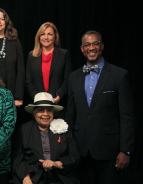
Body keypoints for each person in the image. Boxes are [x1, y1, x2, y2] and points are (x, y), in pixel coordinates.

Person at [66, 31, 135, 184]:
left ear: (102, 46)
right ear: (82, 49)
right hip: (81, 150)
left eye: (95, 43)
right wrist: (68, 146)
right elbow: (71, 113)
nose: (91, 47)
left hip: (109, 150)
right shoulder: (73, 77)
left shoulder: (119, 75)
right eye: (87, 45)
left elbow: (127, 117)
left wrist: (125, 150)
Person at [13, 92, 80, 184]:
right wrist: (26, 178)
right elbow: (17, 158)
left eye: (49, 110)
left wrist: (56, 163)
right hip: (33, 177)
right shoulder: (23, 130)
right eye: (41, 110)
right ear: (34, 112)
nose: (46, 114)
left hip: (60, 178)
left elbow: (75, 156)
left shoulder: (64, 128)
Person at [26, 22, 72, 119]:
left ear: (55, 37)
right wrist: (39, 99)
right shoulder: (32, 56)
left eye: (50, 34)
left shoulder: (64, 55)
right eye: (43, 34)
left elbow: (67, 80)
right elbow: (29, 81)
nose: (46, 37)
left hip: (58, 106)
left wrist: (57, 98)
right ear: (39, 37)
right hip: (37, 106)